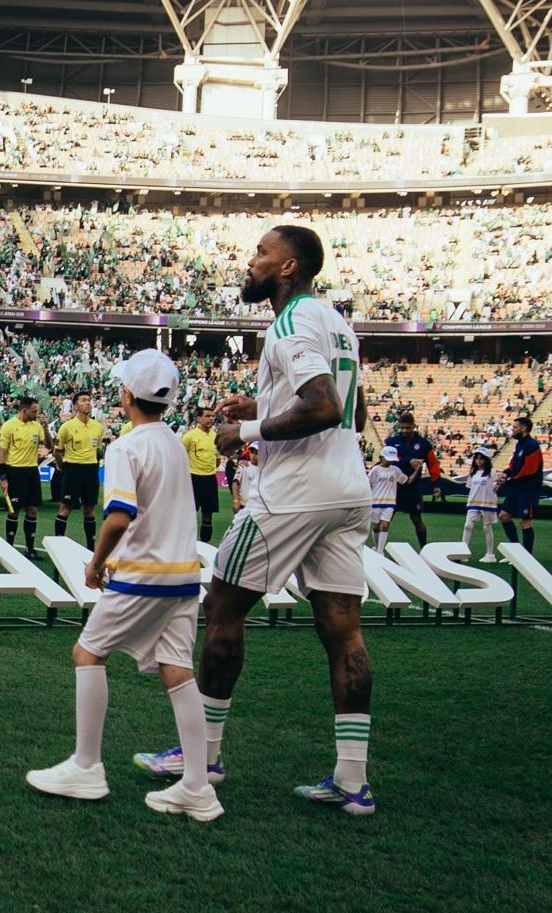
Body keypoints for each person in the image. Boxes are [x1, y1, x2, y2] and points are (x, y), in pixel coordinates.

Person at [134, 225, 377, 817]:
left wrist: (240, 430)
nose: (252, 261)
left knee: (221, 606)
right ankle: (352, 780)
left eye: (262, 253)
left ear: (289, 267)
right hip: (348, 489)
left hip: (292, 493)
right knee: (343, 631)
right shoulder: (337, 322)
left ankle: (204, 758)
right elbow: (357, 409)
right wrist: (264, 405)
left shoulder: (291, 321)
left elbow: (324, 406)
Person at [26, 349, 220, 821]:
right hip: (183, 575)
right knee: (178, 669)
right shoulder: (175, 443)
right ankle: (197, 784)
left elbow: (119, 515)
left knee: (87, 653)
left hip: (143, 574)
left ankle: (87, 766)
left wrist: (97, 562)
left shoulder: (126, 447)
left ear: (127, 395)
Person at [0, 396, 50, 557]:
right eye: (34, 411)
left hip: (32, 471)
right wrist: (4, 478)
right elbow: (2, 454)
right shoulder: (9, 426)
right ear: (24, 411)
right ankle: (9, 547)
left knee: (32, 510)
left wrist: (46, 429)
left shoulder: (37, 426)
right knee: (14, 511)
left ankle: (30, 548)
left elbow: (49, 446)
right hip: (15, 472)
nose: (37, 414)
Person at [54, 390, 108, 549]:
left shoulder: (97, 427)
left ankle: (91, 548)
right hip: (73, 469)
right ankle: (58, 544)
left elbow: (99, 450)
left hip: (91, 470)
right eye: (84, 400)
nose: (88, 403)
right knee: (65, 508)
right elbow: (57, 451)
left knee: (89, 509)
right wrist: (63, 467)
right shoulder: (67, 427)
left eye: (89, 400)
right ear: (76, 406)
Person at [382, 411, 439, 547]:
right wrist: (409, 461)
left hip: (412, 487)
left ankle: (424, 549)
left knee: (417, 519)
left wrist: (436, 484)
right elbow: (388, 460)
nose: (405, 430)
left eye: (408, 427)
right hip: (394, 487)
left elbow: (433, 464)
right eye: (402, 427)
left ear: (414, 426)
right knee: (385, 519)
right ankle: (379, 549)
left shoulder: (423, 444)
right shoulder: (391, 442)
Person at [498, 414, 544, 553]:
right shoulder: (520, 444)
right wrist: (505, 473)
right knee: (503, 516)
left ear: (523, 428)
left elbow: (530, 469)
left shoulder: (532, 445)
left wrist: (510, 479)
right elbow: (514, 465)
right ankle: (516, 550)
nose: (513, 430)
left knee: (525, 521)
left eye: (515, 427)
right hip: (517, 487)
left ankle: (527, 555)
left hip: (528, 488)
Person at [182, 407, 220, 543]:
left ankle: (205, 544)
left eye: (213, 416)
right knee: (189, 514)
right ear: (198, 418)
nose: (211, 418)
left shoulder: (215, 436)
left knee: (208, 515)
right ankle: (187, 544)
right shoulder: (189, 436)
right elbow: (181, 456)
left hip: (210, 479)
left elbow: (217, 458)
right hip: (194, 479)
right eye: (208, 416)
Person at [461, 446, 500, 561]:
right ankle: (463, 552)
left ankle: (490, 554)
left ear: (486, 460)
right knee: (467, 525)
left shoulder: (492, 473)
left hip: (487, 503)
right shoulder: (473, 473)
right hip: (473, 503)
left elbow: (496, 487)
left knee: (487, 527)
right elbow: (470, 487)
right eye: (477, 458)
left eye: (481, 458)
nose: (479, 460)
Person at [367, 446, 401, 552]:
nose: (390, 462)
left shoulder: (396, 470)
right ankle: (377, 547)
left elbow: (405, 480)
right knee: (376, 527)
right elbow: (369, 484)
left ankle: (380, 551)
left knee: (385, 526)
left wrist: (417, 470)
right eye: (388, 459)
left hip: (389, 503)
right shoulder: (375, 470)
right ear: (381, 457)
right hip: (375, 502)